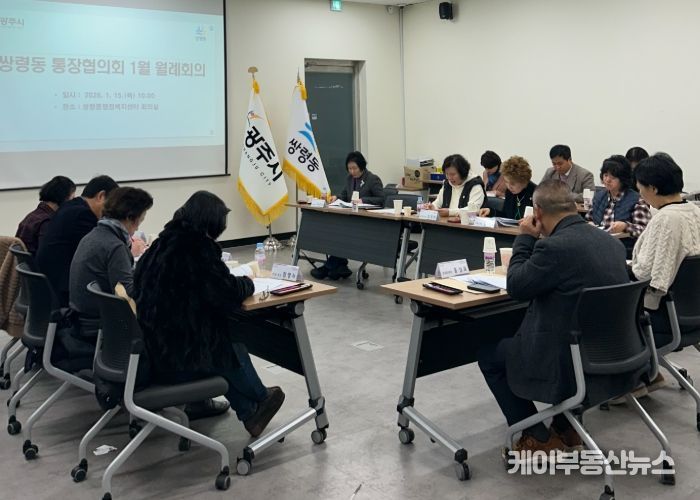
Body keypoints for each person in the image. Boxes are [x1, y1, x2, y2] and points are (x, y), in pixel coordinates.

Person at [477, 180, 629, 454]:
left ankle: (536, 436)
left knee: (489, 356)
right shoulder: (612, 243)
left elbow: (517, 287)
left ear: (537, 212)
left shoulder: (554, 248)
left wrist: (525, 238)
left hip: (563, 357)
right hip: (609, 350)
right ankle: (565, 427)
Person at [134, 191, 285, 436]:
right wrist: (247, 282)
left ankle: (249, 412)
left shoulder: (161, 243)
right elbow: (225, 291)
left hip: (153, 348)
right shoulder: (195, 248)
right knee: (227, 346)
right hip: (176, 359)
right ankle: (260, 398)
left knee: (215, 339)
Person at [58, 187, 153, 373]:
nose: (138, 227)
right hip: (98, 323)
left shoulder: (93, 236)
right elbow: (128, 295)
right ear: (130, 217)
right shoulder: (115, 246)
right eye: (140, 220)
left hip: (80, 317)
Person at [631, 153, 700, 338]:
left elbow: (645, 273)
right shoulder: (696, 211)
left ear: (653, 188)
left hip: (664, 315)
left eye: (640, 188)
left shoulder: (665, 219)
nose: (640, 194)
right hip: (692, 311)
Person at [35, 175, 132, 306]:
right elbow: (101, 250)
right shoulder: (83, 215)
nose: (112, 213)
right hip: (62, 292)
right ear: (101, 196)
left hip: (50, 285)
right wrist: (128, 246)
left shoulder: (71, 207)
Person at [313, 151, 385, 280]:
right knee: (336, 231)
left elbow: (381, 199)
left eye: (354, 168)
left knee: (342, 233)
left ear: (361, 166)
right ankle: (340, 266)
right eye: (349, 168)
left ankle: (329, 267)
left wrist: (363, 200)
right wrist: (336, 197)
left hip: (367, 221)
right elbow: (345, 195)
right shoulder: (349, 179)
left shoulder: (372, 179)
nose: (352, 171)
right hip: (351, 218)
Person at [585, 155, 651, 256]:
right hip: (597, 245)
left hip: (623, 249)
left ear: (623, 179)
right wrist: (589, 224)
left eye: (613, 177)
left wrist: (625, 226)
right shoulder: (599, 196)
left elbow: (646, 230)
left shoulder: (637, 200)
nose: (607, 180)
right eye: (605, 175)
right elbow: (588, 218)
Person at [15, 176, 76, 254]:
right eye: (72, 198)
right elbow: (48, 253)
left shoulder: (32, 216)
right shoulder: (47, 222)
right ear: (63, 197)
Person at [479, 156, 536, 220]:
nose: (509, 186)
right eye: (506, 182)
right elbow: (506, 216)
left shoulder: (536, 194)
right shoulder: (510, 192)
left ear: (524, 181)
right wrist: (490, 211)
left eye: (512, 183)